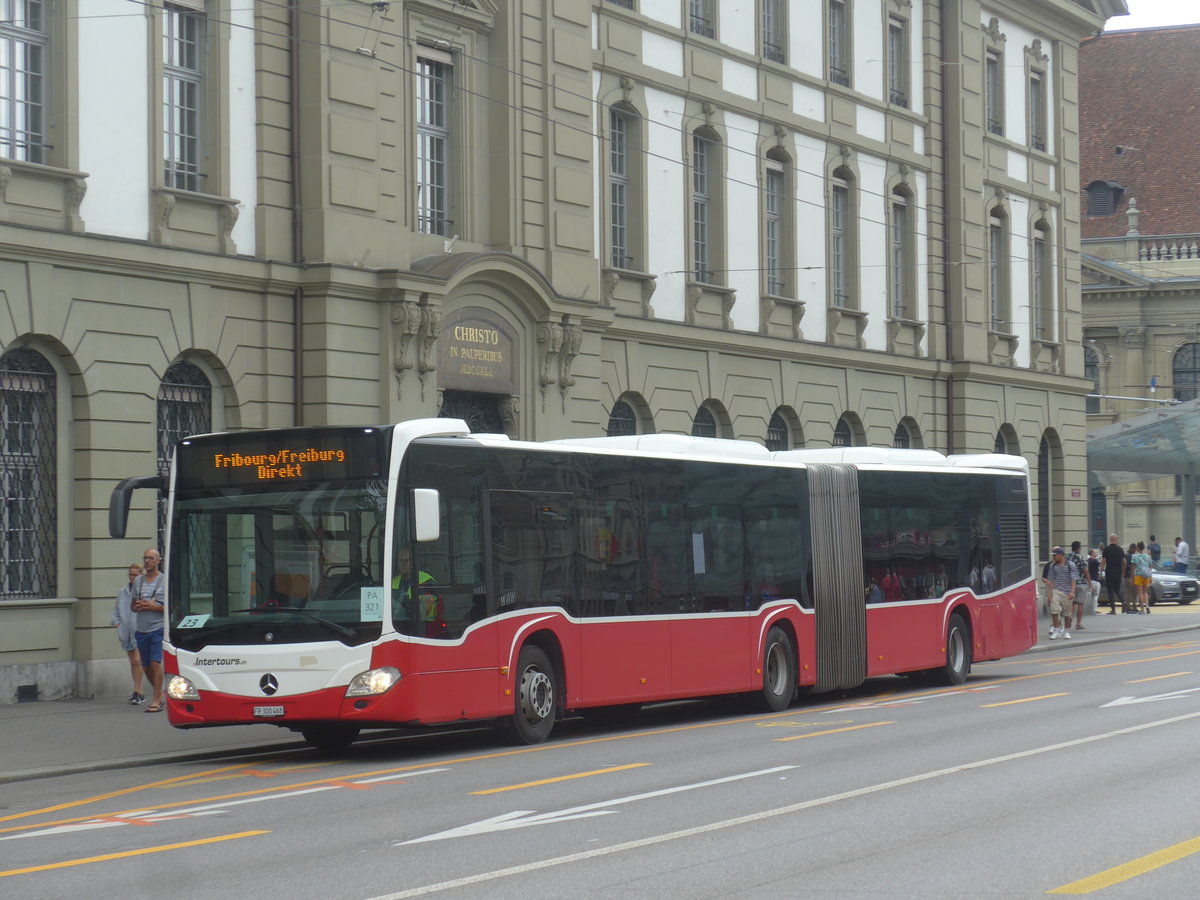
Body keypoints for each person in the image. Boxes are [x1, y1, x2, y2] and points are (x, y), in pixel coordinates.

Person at [132, 548, 166, 712]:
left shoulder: (164, 581)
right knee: (146, 667)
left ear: (158, 560)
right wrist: (138, 606)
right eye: (145, 558)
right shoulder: (138, 581)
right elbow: (132, 605)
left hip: (158, 628)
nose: (147, 561)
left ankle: (156, 700)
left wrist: (155, 607)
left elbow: (171, 608)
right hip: (142, 629)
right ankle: (159, 693)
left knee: (155, 663)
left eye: (151, 558)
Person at [110, 561, 145, 704]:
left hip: (140, 630)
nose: (132, 578)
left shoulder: (144, 591)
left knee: (137, 660)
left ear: (141, 575)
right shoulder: (123, 591)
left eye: (135, 575)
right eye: (130, 575)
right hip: (126, 631)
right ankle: (137, 690)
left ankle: (139, 690)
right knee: (133, 662)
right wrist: (117, 623)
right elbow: (116, 609)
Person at [1043, 546, 1077, 640]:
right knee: (1054, 610)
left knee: (1067, 613)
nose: (1053, 557)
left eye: (1055, 555)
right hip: (1057, 590)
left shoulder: (1071, 565)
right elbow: (1051, 580)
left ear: (1060, 555)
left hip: (1067, 591)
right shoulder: (1053, 566)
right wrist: (1050, 593)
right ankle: (1056, 630)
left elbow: (1074, 579)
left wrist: (1072, 591)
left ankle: (1066, 631)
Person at [1067, 541, 1091, 630]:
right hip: (1080, 583)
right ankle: (1078, 624)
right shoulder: (1079, 557)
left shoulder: (1067, 557)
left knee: (1073, 602)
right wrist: (1090, 583)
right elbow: (1085, 571)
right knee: (1080, 604)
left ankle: (1070, 617)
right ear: (1079, 548)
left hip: (1070, 583)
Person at [1101, 535, 1126, 615]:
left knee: (1110, 591)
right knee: (1117, 590)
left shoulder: (1106, 549)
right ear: (1116, 540)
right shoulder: (1120, 550)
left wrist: (1101, 572)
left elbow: (1103, 561)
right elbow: (1124, 562)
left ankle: (1113, 609)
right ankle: (1123, 601)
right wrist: (1123, 571)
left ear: (1110, 540)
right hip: (1118, 573)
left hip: (1109, 572)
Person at [1131, 541, 1153, 614]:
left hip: (1138, 575)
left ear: (1138, 548)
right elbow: (1150, 567)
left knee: (1140, 592)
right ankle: (1147, 606)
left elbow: (1133, 567)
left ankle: (1142, 609)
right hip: (1146, 575)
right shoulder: (1147, 557)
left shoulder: (1135, 556)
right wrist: (1150, 577)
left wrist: (1132, 577)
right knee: (1145, 592)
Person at [1124, 543, 1138, 613]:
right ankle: (1129, 606)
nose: (1135, 551)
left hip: (1129, 575)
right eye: (1135, 549)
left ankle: (1132, 606)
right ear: (1132, 548)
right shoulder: (1128, 556)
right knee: (1130, 592)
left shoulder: (1128, 555)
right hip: (1129, 576)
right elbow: (1129, 566)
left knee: (1133, 592)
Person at [1087, 548, 1102, 614]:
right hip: (1095, 580)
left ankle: (1088, 608)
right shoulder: (1094, 561)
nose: (1096, 554)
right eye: (1095, 552)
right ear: (1092, 553)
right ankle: (1094, 609)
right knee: (1095, 596)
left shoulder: (1088, 561)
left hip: (1089, 580)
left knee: (1089, 595)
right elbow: (1101, 564)